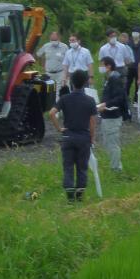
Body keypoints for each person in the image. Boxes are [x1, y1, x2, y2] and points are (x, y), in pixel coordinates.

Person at [46, 70, 97, 202]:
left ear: (72, 83)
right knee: (82, 167)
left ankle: (70, 197)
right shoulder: (90, 100)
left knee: (68, 167)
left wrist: (60, 128)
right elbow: (92, 122)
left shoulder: (65, 99)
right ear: (85, 83)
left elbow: (51, 113)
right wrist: (92, 138)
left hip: (68, 136)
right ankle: (79, 197)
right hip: (84, 137)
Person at [97, 57, 127, 172]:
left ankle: (116, 168)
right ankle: (114, 165)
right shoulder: (108, 78)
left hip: (113, 116)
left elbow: (119, 98)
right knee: (107, 142)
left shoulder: (115, 78)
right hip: (106, 115)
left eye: (102, 65)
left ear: (108, 66)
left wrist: (106, 104)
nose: (100, 68)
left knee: (113, 143)